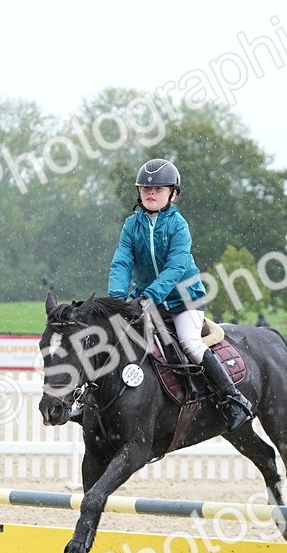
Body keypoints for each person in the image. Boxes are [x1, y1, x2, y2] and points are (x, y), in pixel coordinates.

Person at [101, 158, 252, 430]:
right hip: (148, 300)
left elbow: (175, 268)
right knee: (115, 338)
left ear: (173, 193)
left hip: (184, 301)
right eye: (145, 189)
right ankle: (93, 402)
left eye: (158, 189)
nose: (150, 193)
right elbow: (122, 263)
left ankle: (233, 399)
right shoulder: (130, 225)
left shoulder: (178, 225)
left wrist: (149, 297)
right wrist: (115, 300)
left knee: (190, 344)